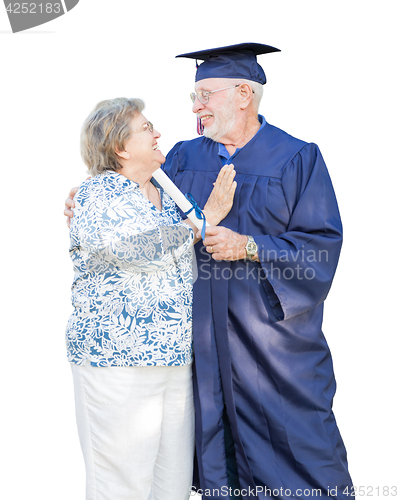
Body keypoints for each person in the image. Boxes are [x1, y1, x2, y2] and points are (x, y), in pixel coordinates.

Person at [65, 43, 354, 500]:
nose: (195, 106)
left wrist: (252, 246)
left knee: (298, 442)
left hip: (269, 339)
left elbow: (321, 243)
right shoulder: (181, 158)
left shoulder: (296, 158)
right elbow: (126, 190)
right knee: (204, 460)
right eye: (193, 96)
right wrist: (85, 193)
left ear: (243, 94)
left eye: (206, 93)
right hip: (196, 341)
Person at [65, 97, 236, 500]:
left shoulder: (165, 191)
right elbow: (132, 249)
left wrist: (198, 220)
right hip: (118, 363)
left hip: (173, 361)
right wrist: (203, 220)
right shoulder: (97, 195)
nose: (158, 133)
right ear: (120, 147)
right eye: (146, 128)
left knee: (171, 486)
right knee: (121, 486)